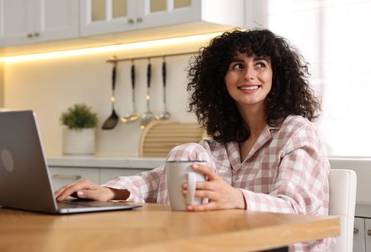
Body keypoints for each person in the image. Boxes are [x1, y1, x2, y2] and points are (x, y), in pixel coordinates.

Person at [55, 29, 334, 251]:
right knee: (185, 152)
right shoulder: (221, 144)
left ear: (277, 75)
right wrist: (111, 192)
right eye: (238, 65)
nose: (249, 74)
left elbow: (298, 210)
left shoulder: (295, 131)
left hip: (284, 247)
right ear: (221, 79)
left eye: (260, 64)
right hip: (232, 246)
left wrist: (236, 198)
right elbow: (160, 178)